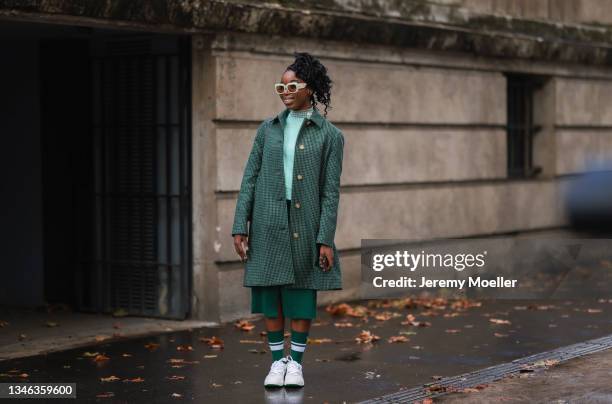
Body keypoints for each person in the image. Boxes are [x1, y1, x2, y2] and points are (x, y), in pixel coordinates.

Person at [231, 52, 345, 388]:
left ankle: (295, 364)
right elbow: (249, 178)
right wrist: (241, 224)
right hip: (267, 221)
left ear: (309, 88)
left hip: (305, 224)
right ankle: (276, 363)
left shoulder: (330, 136)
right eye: (281, 86)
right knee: (270, 296)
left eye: (292, 85)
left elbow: (330, 192)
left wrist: (325, 237)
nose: (285, 90)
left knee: (299, 296)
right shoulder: (267, 130)